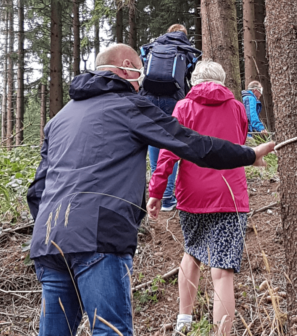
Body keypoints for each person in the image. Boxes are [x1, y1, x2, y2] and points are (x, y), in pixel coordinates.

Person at [27, 44, 274, 336]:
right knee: (110, 330)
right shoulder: (129, 106)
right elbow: (191, 143)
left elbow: (36, 190)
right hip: (100, 236)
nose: (141, 81)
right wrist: (248, 155)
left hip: (49, 239)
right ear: (127, 66)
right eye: (139, 73)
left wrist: (52, 225)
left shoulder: (59, 120)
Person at [147, 60, 251, 336]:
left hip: (192, 194)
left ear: (194, 81)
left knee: (192, 253)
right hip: (231, 193)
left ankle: (184, 319)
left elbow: (169, 152)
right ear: (222, 80)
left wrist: (157, 192)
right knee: (223, 271)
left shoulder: (183, 107)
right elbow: (240, 142)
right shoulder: (237, 107)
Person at [139, 24, 200, 212]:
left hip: (148, 98)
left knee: (153, 140)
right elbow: (189, 76)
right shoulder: (187, 50)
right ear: (184, 35)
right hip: (173, 99)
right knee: (171, 144)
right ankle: (166, 198)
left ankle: (153, 193)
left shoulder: (152, 47)